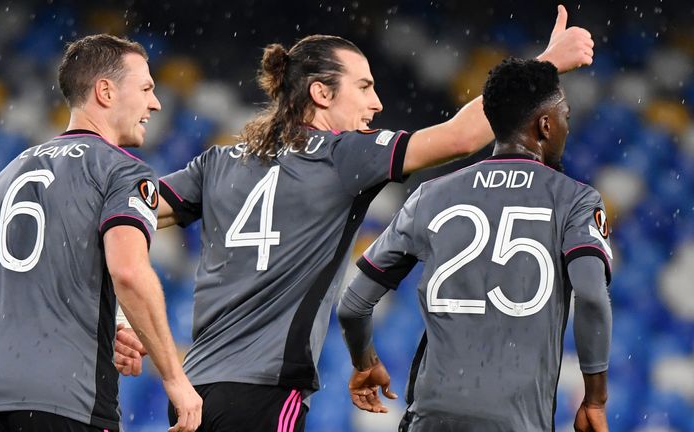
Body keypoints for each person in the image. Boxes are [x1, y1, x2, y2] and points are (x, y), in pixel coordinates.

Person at [114, 6, 595, 431]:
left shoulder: (216, 162)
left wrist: (116, 313)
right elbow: (462, 136)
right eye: (364, 87)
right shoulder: (343, 155)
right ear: (321, 93)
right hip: (264, 394)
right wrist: (547, 63)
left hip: (195, 394)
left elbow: (120, 222)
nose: (377, 103)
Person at [0, 34, 201, 432]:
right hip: (67, 404)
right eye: (146, 88)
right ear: (105, 91)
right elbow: (128, 272)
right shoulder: (123, 170)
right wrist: (174, 378)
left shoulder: (5, 177)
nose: (155, 103)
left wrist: (77, 331)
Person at [336, 57, 612, 432]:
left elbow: (353, 305)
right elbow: (593, 298)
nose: (567, 124)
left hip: (432, 418)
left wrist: (365, 362)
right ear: (545, 125)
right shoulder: (575, 200)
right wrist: (594, 398)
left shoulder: (429, 195)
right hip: (517, 421)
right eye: (564, 114)